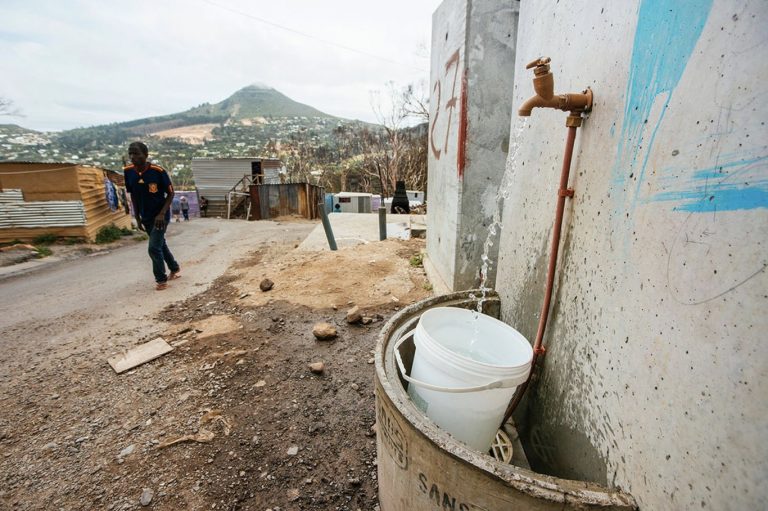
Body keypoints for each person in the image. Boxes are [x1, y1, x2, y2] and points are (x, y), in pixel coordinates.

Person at [124, 141, 181, 290]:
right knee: (160, 244)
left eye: (136, 153)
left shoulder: (158, 171)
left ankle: (161, 280)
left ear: (145, 155)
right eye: (130, 153)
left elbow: (170, 193)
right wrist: (137, 217)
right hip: (146, 217)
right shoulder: (128, 171)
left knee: (153, 247)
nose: (132, 157)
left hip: (160, 216)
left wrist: (162, 213)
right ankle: (174, 268)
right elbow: (133, 196)